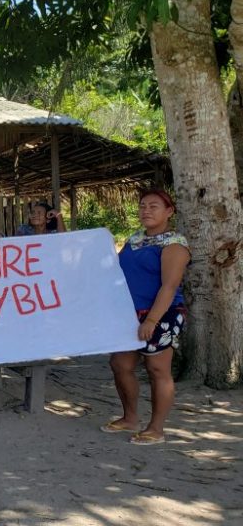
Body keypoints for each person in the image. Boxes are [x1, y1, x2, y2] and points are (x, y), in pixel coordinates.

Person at [105, 189, 189, 445]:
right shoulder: (134, 239)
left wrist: (151, 321)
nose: (147, 210)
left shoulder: (174, 244)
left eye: (154, 206)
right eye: (143, 206)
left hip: (161, 315)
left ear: (169, 212)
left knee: (157, 369)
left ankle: (156, 428)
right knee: (121, 366)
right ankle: (130, 418)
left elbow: (169, 287)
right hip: (128, 314)